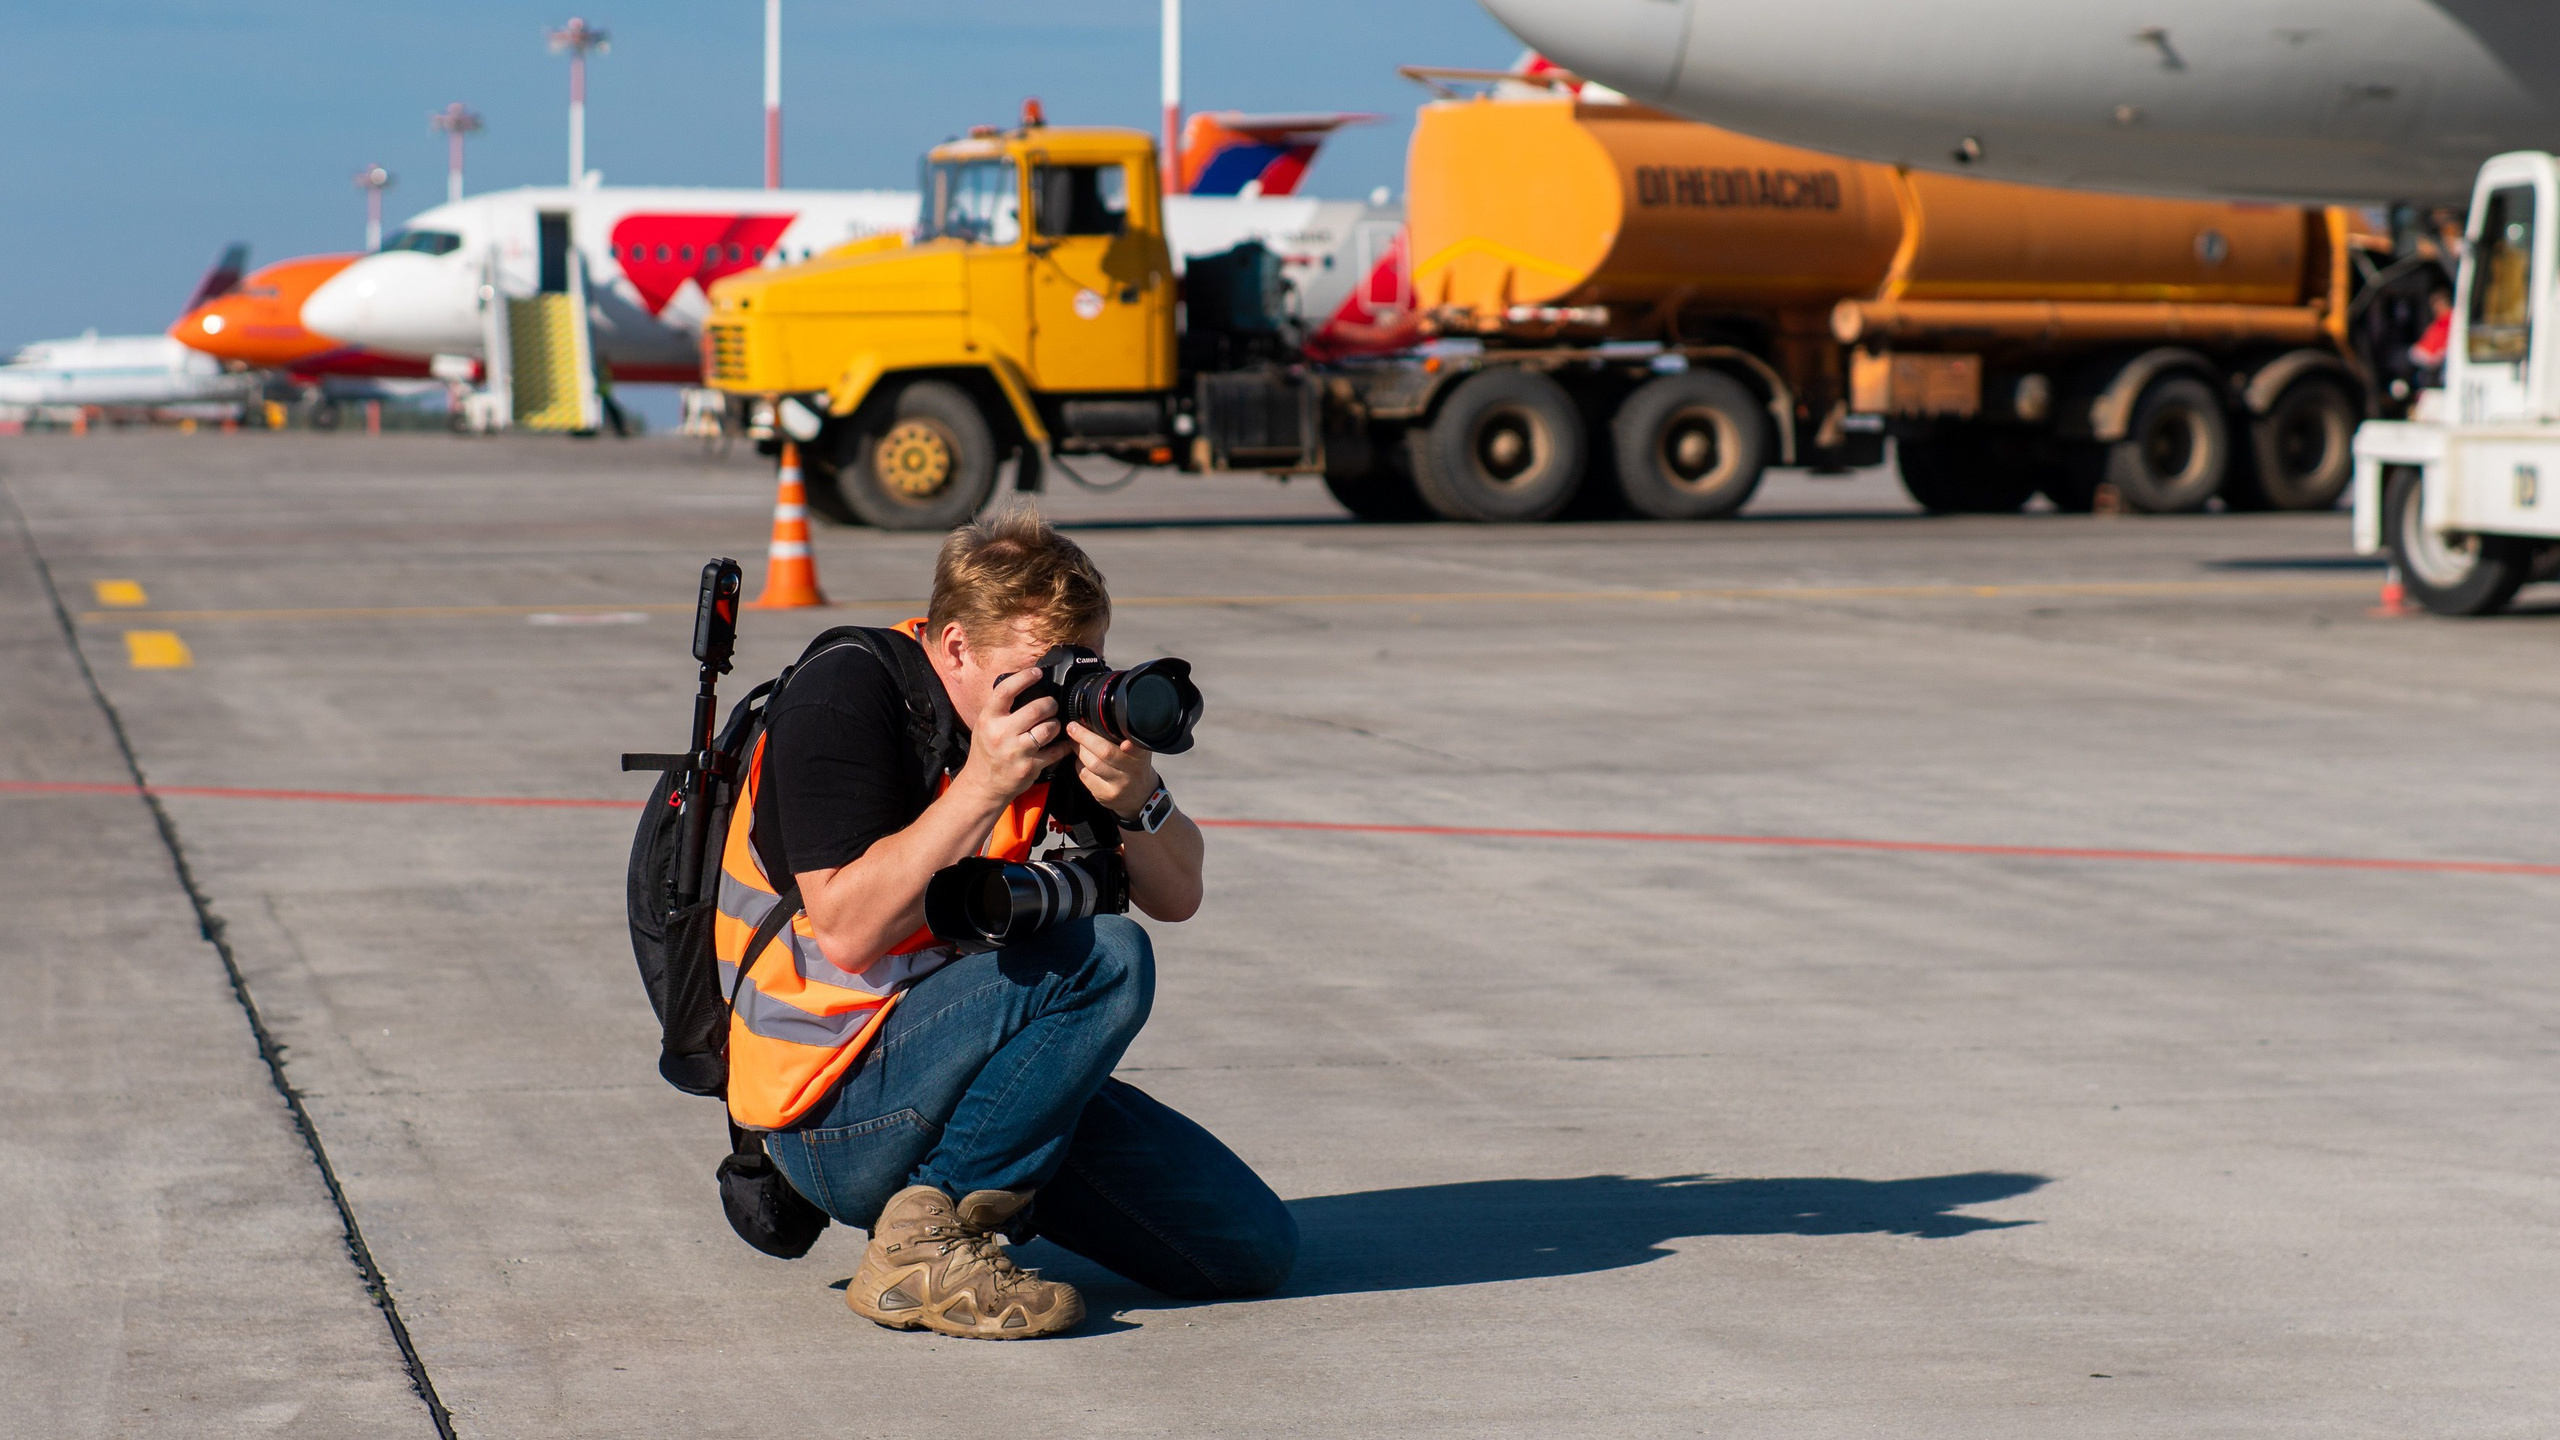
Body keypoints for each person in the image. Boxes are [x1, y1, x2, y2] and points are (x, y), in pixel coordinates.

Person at [716, 505, 1295, 1340]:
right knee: (1107, 954)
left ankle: (967, 1189)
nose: (1062, 688)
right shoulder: (845, 693)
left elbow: (1177, 895)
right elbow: (845, 930)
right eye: (1040, 668)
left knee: (1249, 1249)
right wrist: (984, 784)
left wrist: (1139, 797)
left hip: (975, 1078)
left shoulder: (1040, 723)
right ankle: (926, 1240)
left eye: (1083, 663)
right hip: (830, 1109)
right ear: (955, 647)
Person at [2410, 283, 2454, 390]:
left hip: (2441, 372)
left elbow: (2439, 352)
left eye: (2437, 303)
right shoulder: (2438, 323)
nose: (2435, 308)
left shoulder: (2452, 320)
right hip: (2429, 368)